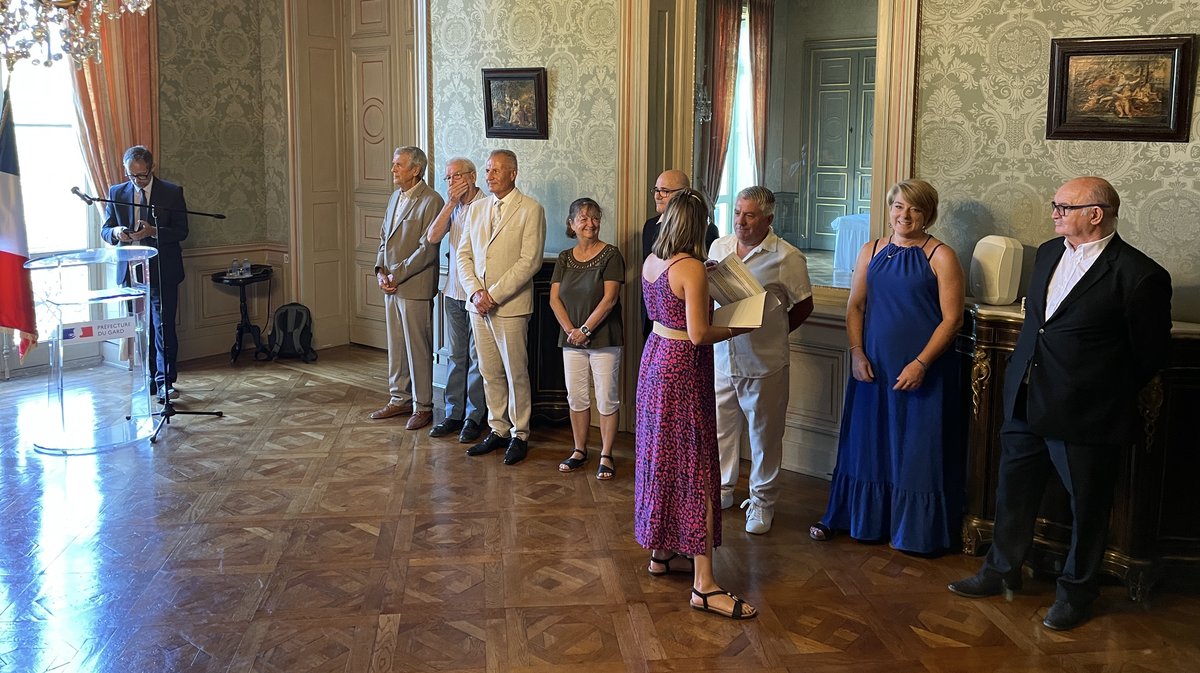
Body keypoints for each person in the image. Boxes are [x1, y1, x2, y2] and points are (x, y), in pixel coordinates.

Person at [949, 177, 1172, 631]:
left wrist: (1098, 390)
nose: (1053, 213)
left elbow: (1149, 354)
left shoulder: (1140, 274)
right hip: (1026, 396)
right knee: (1012, 490)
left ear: (1096, 213)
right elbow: (1041, 326)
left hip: (1087, 411)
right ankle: (1000, 569)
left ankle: (1076, 592)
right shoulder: (1048, 254)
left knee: (1088, 505)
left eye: (1063, 206)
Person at [811, 178, 966, 554]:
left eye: (914, 209)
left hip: (921, 371)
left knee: (915, 448)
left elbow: (953, 320)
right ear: (890, 207)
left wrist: (921, 363)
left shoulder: (941, 255)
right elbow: (855, 306)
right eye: (898, 206)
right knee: (867, 444)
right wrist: (857, 352)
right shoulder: (872, 249)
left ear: (928, 214)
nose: (904, 215)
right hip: (873, 365)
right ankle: (856, 520)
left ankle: (913, 532)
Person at [637, 188, 758, 620]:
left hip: (654, 362)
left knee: (662, 458)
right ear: (700, 225)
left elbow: (668, 309)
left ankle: (662, 551)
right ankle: (704, 585)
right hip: (683, 369)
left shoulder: (654, 261)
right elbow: (699, 334)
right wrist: (739, 327)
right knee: (697, 465)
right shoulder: (691, 268)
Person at [710, 186, 813, 534]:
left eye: (749, 214)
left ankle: (762, 503)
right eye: (737, 212)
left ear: (768, 218)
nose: (740, 220)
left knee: (764, 436)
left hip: (764, 361)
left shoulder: (786, 257)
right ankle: (723, 489)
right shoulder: (719, 247)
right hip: (722, 356)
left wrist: (773, 332)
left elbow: (803, 306)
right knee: (723, 430)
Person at [456, 149, 546, 466]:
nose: (489, 175)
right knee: (489, 371)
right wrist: (476, 293)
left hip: (510, 306)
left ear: (513, 173)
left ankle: (520, 433)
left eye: (496, 170)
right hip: (477, 306)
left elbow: (530, 261)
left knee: (515, 372)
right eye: (487, 169)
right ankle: (498, 429)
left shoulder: (531, 209)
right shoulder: (477, 209)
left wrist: (493, 294)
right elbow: (462, 256)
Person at [101, 145, 189, 403]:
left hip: (164, 269)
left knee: (163, 326)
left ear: (152, 169)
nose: (137, 181)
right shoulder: (117, 192)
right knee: (143, 328)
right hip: (132, 272)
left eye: (142, 175)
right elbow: (105, 230)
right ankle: (148, 378)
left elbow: (182, 231)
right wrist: (117, 232)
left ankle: (165, 382)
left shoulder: (172, 192)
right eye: (131, 175)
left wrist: (153, 231)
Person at [369, 146, 445, 430]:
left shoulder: (432, 201)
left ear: (416, 169)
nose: (393, 170)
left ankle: (423, 406)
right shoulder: (394, 197)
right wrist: (380, 271)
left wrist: (396, 274)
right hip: (391, 284)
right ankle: (398, 399)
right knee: (397, 347)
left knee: (418, 349)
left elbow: (427, 249)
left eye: (398, 165)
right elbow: (383, 238)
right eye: (393, 164)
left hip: (415, 285)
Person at [548, 198, 625, 480]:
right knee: (577, 397)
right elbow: (555, 300)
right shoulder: (564, 258)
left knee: (606, 397)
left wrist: (586, 330)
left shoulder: (611, 254)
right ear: (571, 225)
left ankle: (606, 454)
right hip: (571, 339)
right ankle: (579, 450)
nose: (590, 223)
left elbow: (610, 298)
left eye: (594, 218)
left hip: (603, 338)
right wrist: (571, 331)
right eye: (582, 218)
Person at [422, 157, 487, 443]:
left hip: (478, 293)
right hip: (452, 292)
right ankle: (452, 414)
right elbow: (432, 237)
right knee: (455, 355)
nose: (451, 182)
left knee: (476, 359)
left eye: (455, 176)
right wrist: (450, 204)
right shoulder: (454, 207)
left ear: (472, 177)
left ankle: (474, 417)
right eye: (447, 178)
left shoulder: (487, 205)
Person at [641, 170, 719, 337]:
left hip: (688, 320)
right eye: (656, 190)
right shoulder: (649, 227)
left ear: (684, 194)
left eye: (665, 191)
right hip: (658, 327)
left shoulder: (709, 232)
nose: (657, 196)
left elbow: (688, 275)